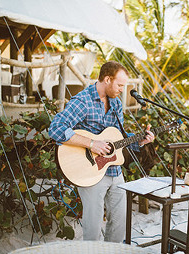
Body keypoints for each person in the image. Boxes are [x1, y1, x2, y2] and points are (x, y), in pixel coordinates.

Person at [48, 61, 155, 242]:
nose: (122, 89)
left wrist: (140, 141)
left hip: (114, 169)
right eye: (120, 85)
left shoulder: (115, 103)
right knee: (93, 226)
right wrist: (91, 143)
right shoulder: (83, 101)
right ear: (107, 79)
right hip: (89, 170)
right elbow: (56, 128)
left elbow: (117, 137)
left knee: (121, 221)